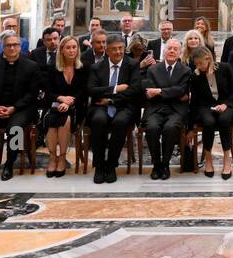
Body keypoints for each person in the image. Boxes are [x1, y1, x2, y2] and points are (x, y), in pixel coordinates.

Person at [0, 31, 42, 182]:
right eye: (8, 45)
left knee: (15, 129)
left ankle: (9, 164)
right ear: (3, 48)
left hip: (22, 109)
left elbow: (32, 94)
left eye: (15, 45)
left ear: (20, 47)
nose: (12, 48)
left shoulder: (32, 67)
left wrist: (14, 108)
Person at [88, 34, 142, 184]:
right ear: (106, 51)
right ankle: (99, 166)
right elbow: (92, 90)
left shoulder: (132, 65)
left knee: (120, 122)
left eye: (121, 48)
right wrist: (115, 88)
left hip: (124, 106)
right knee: (98, 120)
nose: (118, 52)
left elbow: (134, 90)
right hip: (100, 106)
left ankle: (111, 165)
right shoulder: (97, 67)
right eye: (114, 49)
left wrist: (111, 98)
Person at [143, 39, 192, 180]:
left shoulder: (185, 70)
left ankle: (165, 165)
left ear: (180, 52)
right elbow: (150, 91)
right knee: (151, 128)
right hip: (156, 109)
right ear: (164, 51)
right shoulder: (152, 69)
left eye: (175, 49)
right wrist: (172, 92)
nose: (171, 51)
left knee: (170, 129)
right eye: (169, 48)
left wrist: (159, 91)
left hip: (176, 110)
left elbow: (181, 90)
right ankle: (156, 164)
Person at [189, 46, 233, 179]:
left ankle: (227, 160)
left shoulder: (225, 68)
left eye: (201, 63)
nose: (198, 66)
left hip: (226, 104)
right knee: (208, 122)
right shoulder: (196, 75)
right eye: (196, 63)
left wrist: (225, 104)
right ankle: (208, 159)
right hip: (206, 106)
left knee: (224, 120)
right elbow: (195, 101)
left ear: (208, 59)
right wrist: (190, 126)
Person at [42, 35, 85, 177]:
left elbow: (84, 92)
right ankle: (53, 157)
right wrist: (61, 98)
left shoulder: (83, 68)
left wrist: (69, 102)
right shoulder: (53, 68)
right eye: (68, 47)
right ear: (61, 50)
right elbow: (48, 92)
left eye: (74, 47)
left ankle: (62, 157)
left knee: (65, 120)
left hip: (76, 107)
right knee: (51, 121)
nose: (72, 50)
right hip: (54, 105)